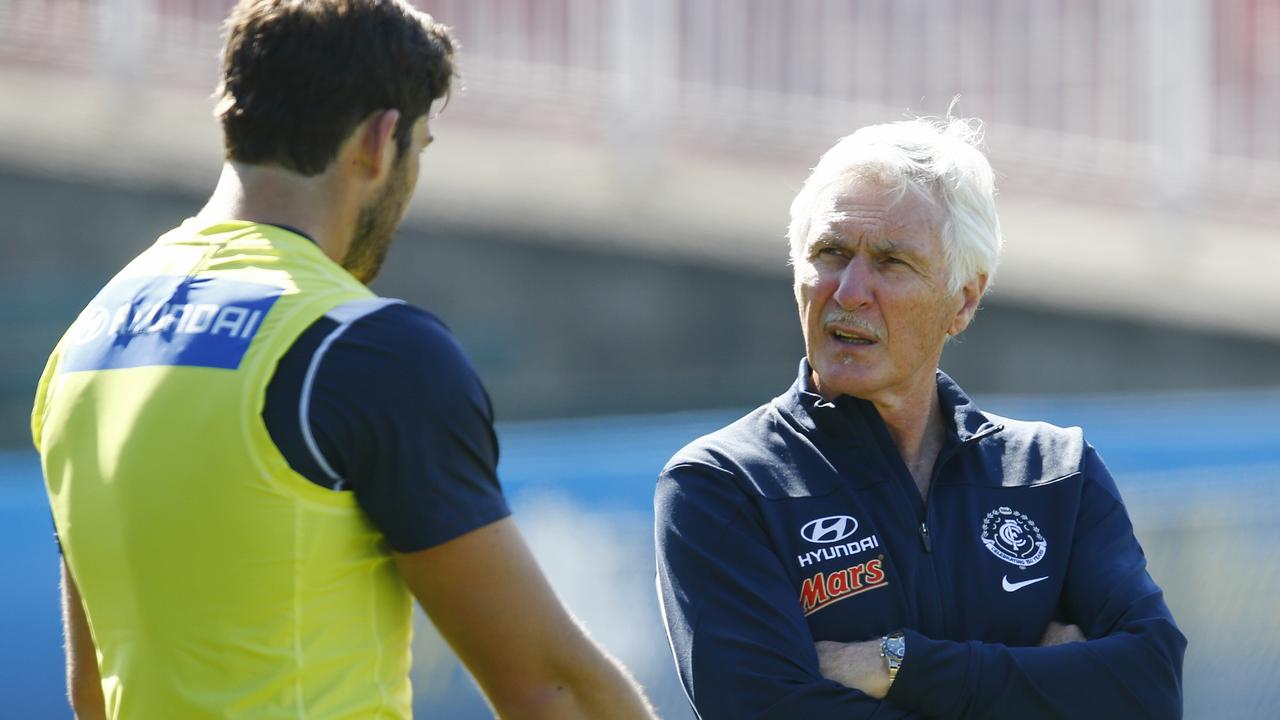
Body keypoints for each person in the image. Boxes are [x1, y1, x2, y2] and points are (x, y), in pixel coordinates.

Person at [32, 1, 655, 718]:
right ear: (380, 140)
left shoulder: (90, 338)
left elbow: (95, 692)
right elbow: (553, 689)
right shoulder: (363, 347)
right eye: (419, 146)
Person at [654, 117, 1186, 718]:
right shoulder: (723, 484)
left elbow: (1150, 686)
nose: (850, 290)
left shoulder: (1056, 471)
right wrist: (1047, 687)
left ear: (963, 301)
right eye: (830, 253)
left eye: (891, 262)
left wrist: (898, 663)